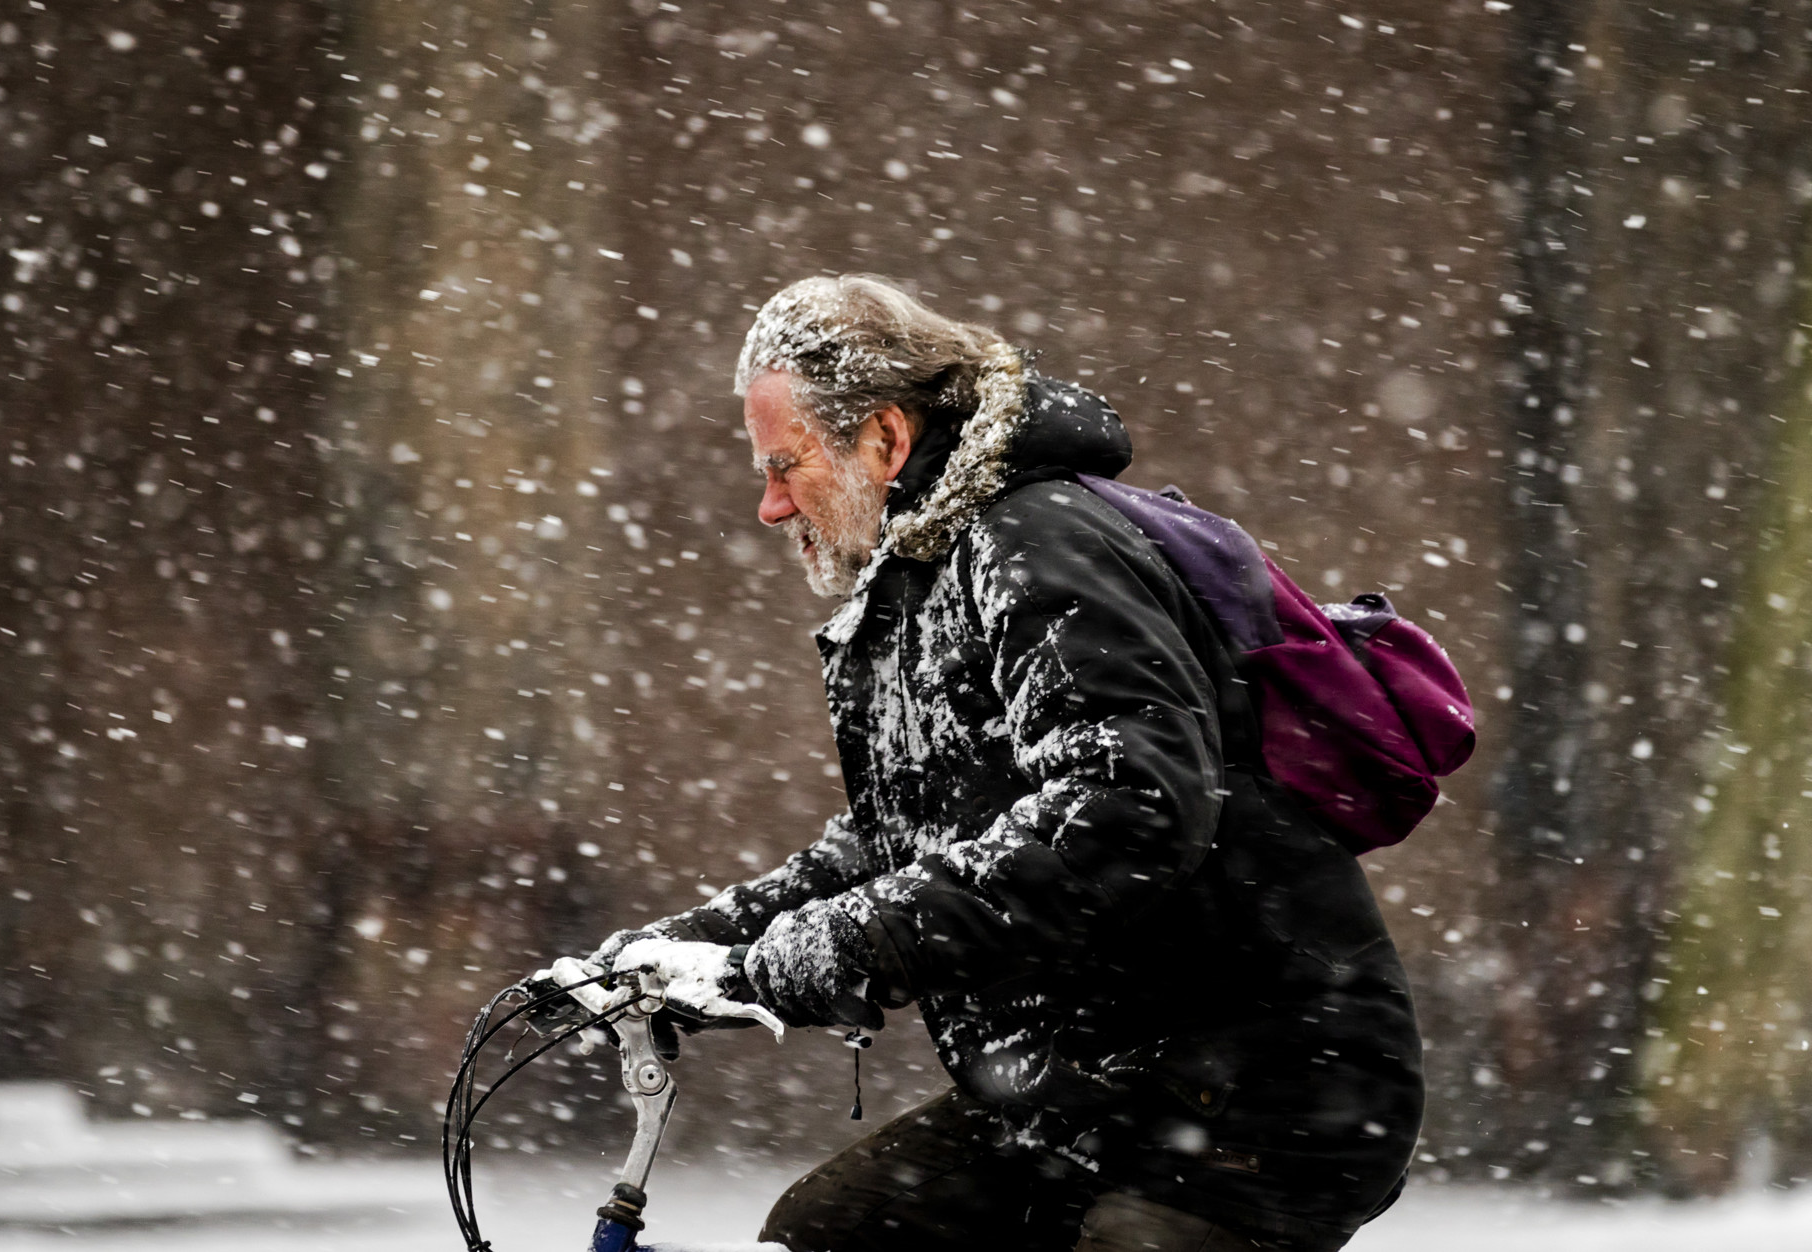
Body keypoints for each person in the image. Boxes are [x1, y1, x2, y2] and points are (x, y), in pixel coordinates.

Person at [557, 275, 1423, 1252]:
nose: (769, 505)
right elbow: (900, 839)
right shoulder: (926, 575)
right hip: (1089, 1089)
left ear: (885, 438)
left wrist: (833, 950)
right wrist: (693, 947)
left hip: (1255, 1096)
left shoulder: (1034, 543)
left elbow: (1125, 809)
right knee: (824, 1234)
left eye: (785, 464)